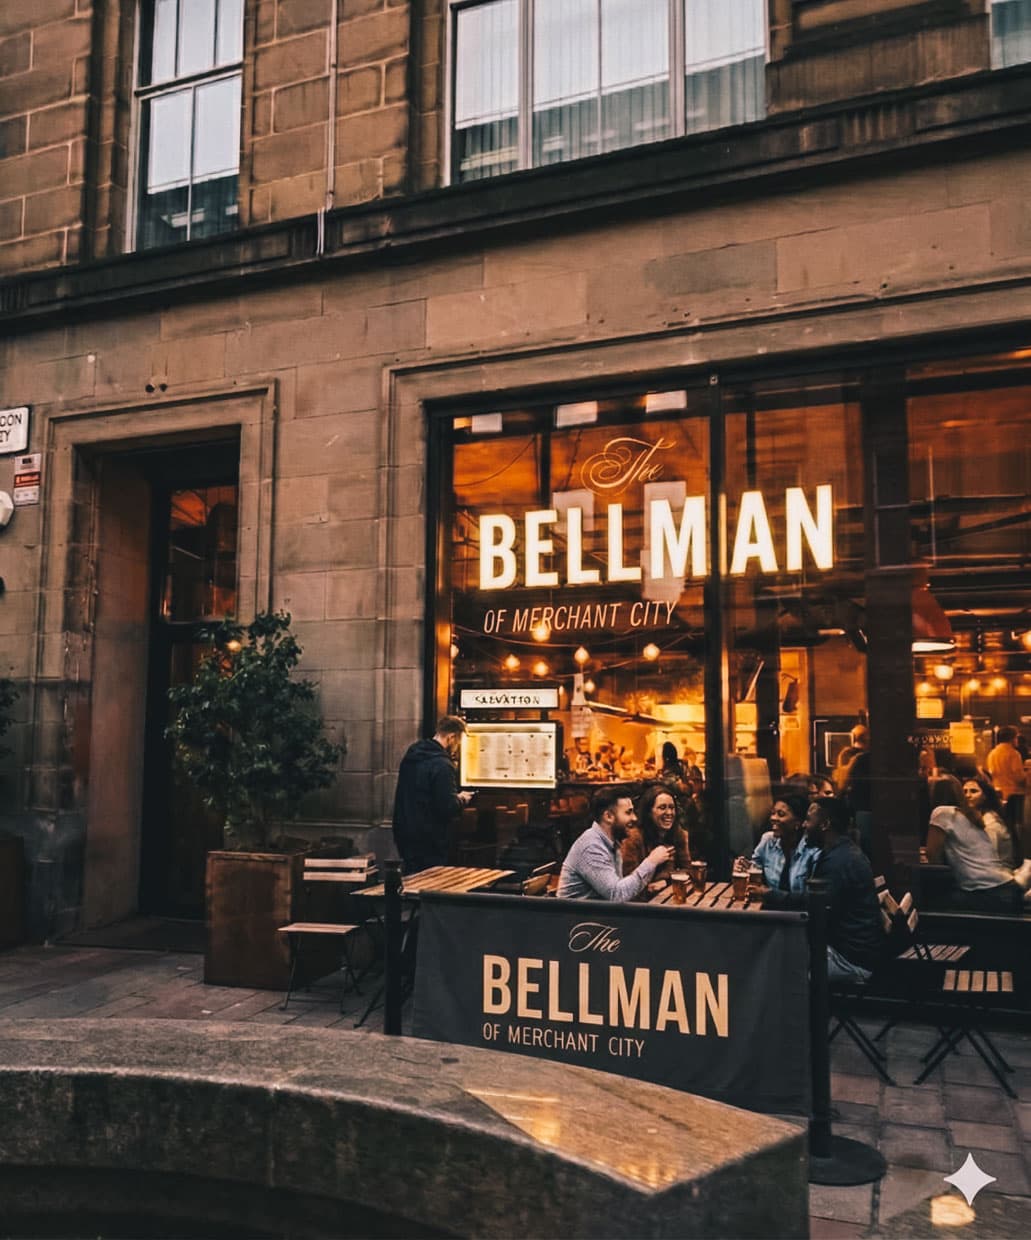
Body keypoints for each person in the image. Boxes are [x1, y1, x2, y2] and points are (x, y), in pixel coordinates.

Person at [805, 796, 884, 982]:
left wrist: (772, 896)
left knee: (787, 970)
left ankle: (816, 1012)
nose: (804, 825)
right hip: (857, 952)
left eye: (808, 819)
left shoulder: (839, 862)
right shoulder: (845, 852)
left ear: (824, 824)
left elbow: (816, 907)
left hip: (851, 961)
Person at [926, 775, 1031, 913]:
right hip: (1007, 887)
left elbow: (932, 855)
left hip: (987, 892)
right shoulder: (973, 815)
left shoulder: (941, 813)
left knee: (932, 904)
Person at [391, 716, 474, 874]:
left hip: (406, 833)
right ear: (451, 737)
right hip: (430, 838)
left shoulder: (412, 756)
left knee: (412, 880)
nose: (457, 748)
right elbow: (448, 807)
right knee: (430, 883)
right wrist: (462, 799)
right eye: (458, 743)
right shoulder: (442, 765)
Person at [558, 787, 672, 901]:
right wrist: (651, 861)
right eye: (628, 812)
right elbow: (617, 895)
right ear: (608, 816)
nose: (635, 818)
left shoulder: (611, 843)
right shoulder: (591, 847)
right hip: (576, 917)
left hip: (596, 914)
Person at [738, 793, 819, 907]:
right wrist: (746, 868)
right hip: (769, 911)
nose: (773, 818)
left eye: (780, 814)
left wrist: (770, 894)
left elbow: (811, 898)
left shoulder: (812, 850)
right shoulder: (767, 840)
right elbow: (755, 872)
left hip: (799, 916)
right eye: (772, 813)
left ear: (798, 822)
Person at [621, 783, 691, 898]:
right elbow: (628, 882)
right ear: (649, 812)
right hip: (640, 904)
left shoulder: (679, 834)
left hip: (669, 898)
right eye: (662, 808)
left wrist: (666, 881)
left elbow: (688, 871)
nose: (669, 813)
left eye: (672, 808)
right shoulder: (633, 838)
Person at [962, 775, 1015, 868]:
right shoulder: (976, 817)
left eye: (974, 791)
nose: (967, 795)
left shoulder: (990, 822)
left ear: (985, 796)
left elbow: (988, 857)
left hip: (999, 872)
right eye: (964, 791)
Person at [987, 725, 1027, 830]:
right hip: (1014, 794)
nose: (1017, 740)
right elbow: (1018, 776)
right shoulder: (1013, 754)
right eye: (1016, 737)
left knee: (1003, 824)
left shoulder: (992, 753)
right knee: (1015, 825)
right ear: (1011, 738)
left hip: (998, 793)